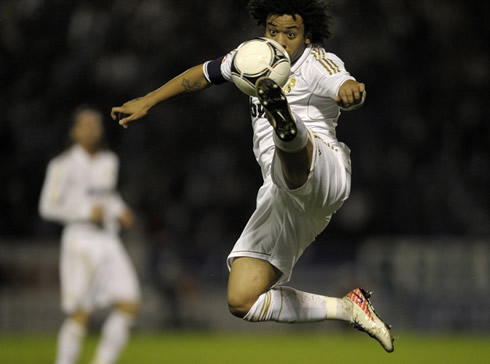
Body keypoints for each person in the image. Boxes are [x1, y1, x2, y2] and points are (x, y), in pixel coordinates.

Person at [111, 0, 394, 352]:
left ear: (307, 37)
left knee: (289, 150)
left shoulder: (319, 61)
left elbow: (345, 86)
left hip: (326, 170)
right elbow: (200, 74)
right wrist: (149, 100)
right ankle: (349, 308)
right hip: (282, 198)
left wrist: (351, 93)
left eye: (290, 34)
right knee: (242, 299)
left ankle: (287, 128)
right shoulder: (252, 58)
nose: (280, 40)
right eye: (273, 31)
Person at [39, 106, 141, 364]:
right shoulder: (62, 165)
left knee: (130, 303)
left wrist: (120, 209)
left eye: (95, 125)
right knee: (81, 313)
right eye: (85, 125)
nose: (91, 130)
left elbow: (106, 195)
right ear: (74, 132)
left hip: (108, 239)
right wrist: (85, 211)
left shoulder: (109, 161)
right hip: (80, 240)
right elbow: (47, 207)